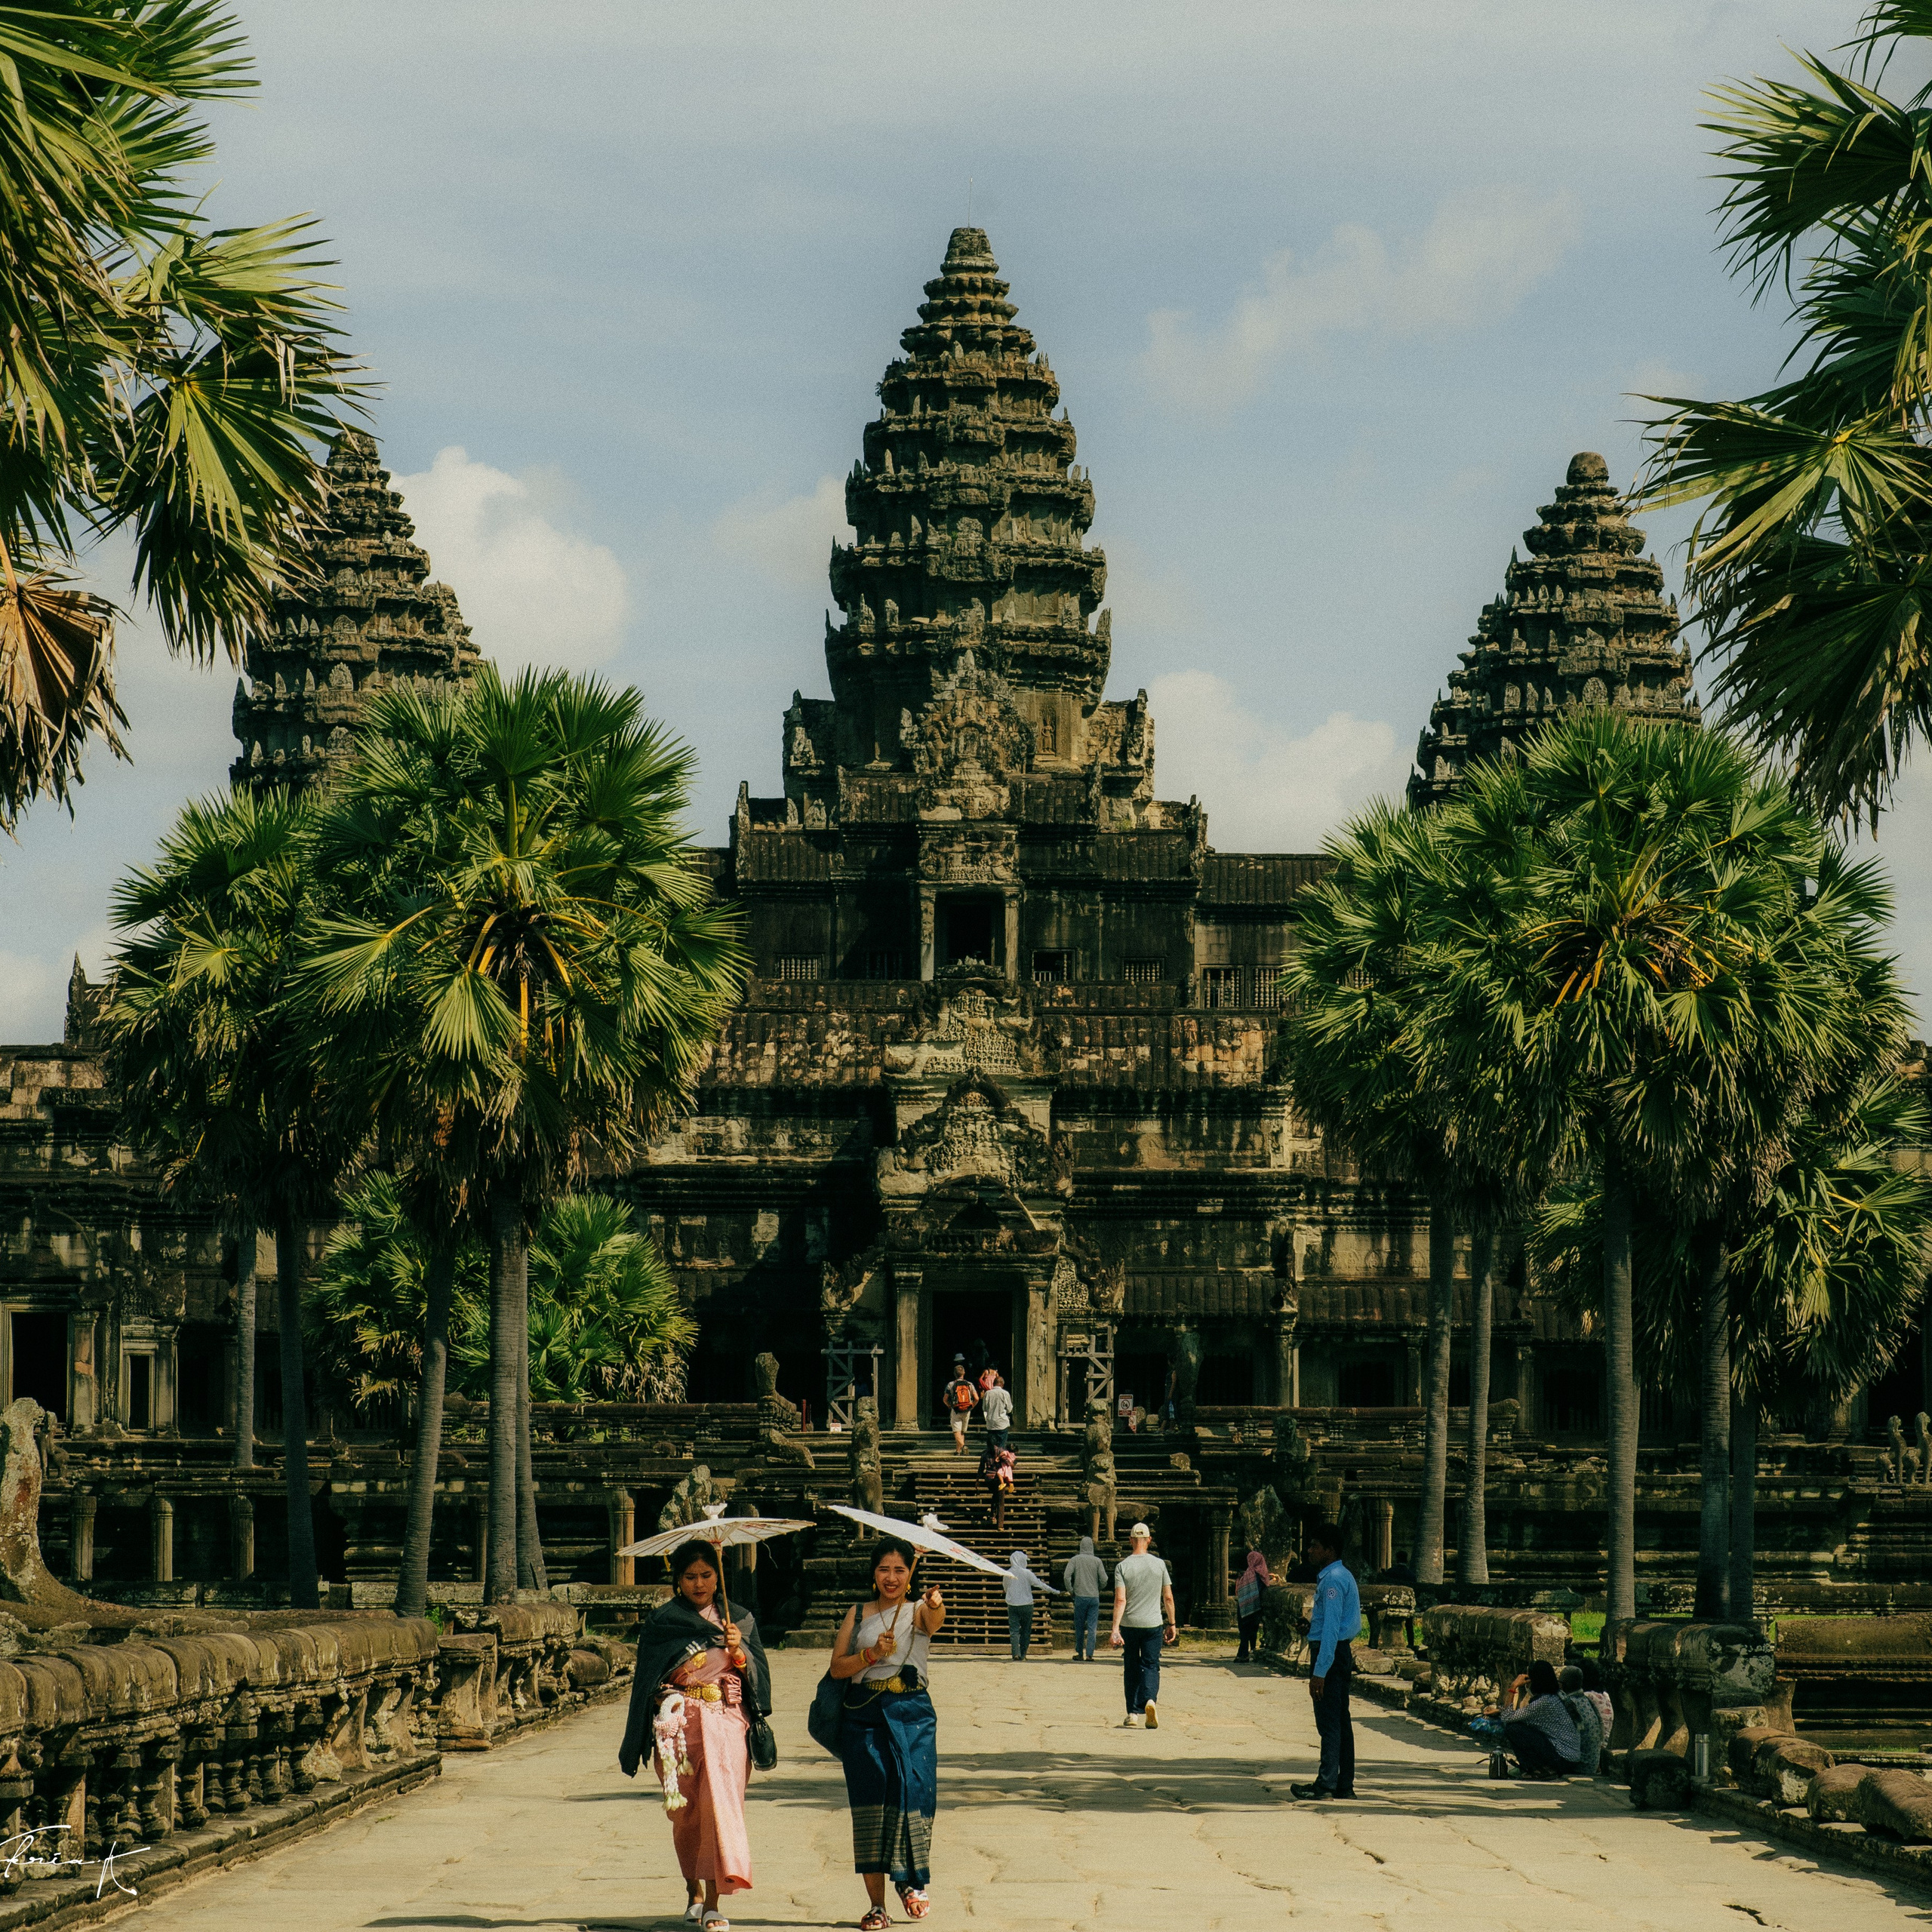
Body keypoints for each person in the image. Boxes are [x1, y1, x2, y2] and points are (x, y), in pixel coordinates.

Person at [617, 1540, 771, 1930]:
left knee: (720, 1804)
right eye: (690, 1577)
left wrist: (739, 1652)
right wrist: (665, 1696)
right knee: (685, 1814)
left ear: (718, 1576)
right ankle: (694, 1891)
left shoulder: (738, 1618)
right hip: (679, 1727)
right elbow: (648, 1680)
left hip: (728, 1721)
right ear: (678, 1580)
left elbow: (758, 1678)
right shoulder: (663, 1622)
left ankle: (716, 1901)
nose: (699, 1584)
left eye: (706, 1575)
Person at [829, 1537, 946, 1927]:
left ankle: (911, 1880)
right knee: (871, 1799)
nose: (891, 1578)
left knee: (915, 1788)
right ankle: (877, 1905)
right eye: (884, 1570)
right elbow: (837, 1669)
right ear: (873, 1573)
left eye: (900, 1570)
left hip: (912, 1713)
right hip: (863, 1715)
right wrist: (871, 1655)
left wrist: (934, 1604)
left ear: (911, 1574)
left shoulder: (917, 1610)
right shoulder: (858, 1613)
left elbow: (935, 1622)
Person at [1289, 1521, 1358, 1801]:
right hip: (1338, 1651)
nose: (1309, 1551)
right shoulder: (1343, 1575)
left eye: (1314, 1545)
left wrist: (1320, 1672)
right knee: (1341, 1721)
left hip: (1331, 1654)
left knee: (1329, 1722)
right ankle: (1344, 1783)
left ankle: (1326, 1783)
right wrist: (1311, 1629)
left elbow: (1331, 1630)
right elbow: (1330, 1624)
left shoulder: (1332, 1580)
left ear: (1329, 1550)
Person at [1109, 1521, 1176, 1728]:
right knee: (1151, 1665)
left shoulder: (1123, 1566)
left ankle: (1132, 1714)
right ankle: (1149, 1700)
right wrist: (1172, 1623)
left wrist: (1115, 1629)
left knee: (1131, 1667)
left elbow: (1121, 1600)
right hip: (1153, 1624)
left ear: (1131, 1541)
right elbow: (1168, 1598)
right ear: (1149, 1540)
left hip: (1130, 1625)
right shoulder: (1160, 1565)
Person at [1492, 1660, 1583, 1780]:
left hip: (1562, 1758)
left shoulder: (1544, 1702)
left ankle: (1536, 1769)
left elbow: (1507, 1718)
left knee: (1513, 1729)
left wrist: (1513, 1687)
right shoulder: (1557, 1695)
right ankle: (1538, 1768)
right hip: (1570, 1758)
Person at [1063, 1535, 1109, 1661]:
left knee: (1079, 1627)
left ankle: (1079, 1653)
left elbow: (1067, 1577)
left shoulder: (1075, 1560)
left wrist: (1071, 1591)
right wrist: (1099, 1588)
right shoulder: (1097, 1561)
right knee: (1092, 1627)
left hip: (1080, 1597)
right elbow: (1104, 1579)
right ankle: (1090, 1654)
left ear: (1081, 1546)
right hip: (1094, 1597)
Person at [1003, 1549, 1051, 1659]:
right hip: (1027, 1605)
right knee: (1026, 1630)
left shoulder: (1008, 1573)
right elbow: (1037, 1584)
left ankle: (1016, 1653)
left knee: (1014, 1630)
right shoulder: (1027, 1573)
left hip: (1013, 1604)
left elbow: (1006, 1588)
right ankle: (1023, 1654)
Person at [1558, 1664, 1607, 1774]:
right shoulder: (1587, 1701)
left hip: (1579, 1766)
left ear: (1562, 1685)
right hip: (1592, 1764)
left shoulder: (1569, 1704)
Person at [1234, 1549, 1269, 1663]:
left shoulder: (1247, 1574)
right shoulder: (1261, 1574)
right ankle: (1247, 1653)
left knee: (1244, 1632)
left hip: (1244, 1607)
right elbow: (1265, 1585)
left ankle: (1243, 1654)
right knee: (1250, 1631)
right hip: (1255, 1608)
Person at [940, 1356, 977, 1454]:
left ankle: (963, 1446)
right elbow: (977, 1398)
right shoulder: (969, 1384)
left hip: (956, 1410)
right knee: (962, 1432)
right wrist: (971, 1406)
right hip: (967, 1410)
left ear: (954, 1374)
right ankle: (958, 1450)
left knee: (956, 1431)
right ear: (964, 1373)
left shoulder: (951, 1385)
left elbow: (945, 1399)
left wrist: (949, 1406)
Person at [980, 1371, 1014, 1450]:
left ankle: (991, 1459)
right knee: (1001, 1446)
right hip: (1001, 1423)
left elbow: (984, 1408)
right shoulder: (1005, 1393)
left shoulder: (988, 1393)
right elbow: (1009, 1410)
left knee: (991, 1446)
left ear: (993, 1384)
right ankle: (999, 1458)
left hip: (991, 1423)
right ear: (1002, 1384)